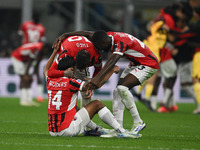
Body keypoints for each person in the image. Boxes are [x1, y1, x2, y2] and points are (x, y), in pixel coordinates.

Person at [53, 30, 159, 135]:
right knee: (117, 92)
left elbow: (111, 62)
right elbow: (88, 33)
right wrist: (65, 34)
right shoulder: (108, 36)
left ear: (104, 43)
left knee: (122, 88)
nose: (100, 50)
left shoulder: (120, 43)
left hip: (148, 64)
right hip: (135, 63)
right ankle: (118, 127)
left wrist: (96, 79)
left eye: (99, 47)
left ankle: (138, 122)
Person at [43, 45, 142, 138]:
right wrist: (111, 71)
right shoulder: (71, 82)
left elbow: (46, 70)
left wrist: (55, 52)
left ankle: (99, 130)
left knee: (75, 109)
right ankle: (121, 131)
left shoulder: (50, 80)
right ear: (71, 69)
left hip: (52, 131)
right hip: (67, 130)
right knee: (97, 104)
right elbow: (97, 84)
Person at [48, 36, 102, 109]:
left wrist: (92, 84)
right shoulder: (65, 54)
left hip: (78, 51)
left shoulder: (96, 56)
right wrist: (64, 73)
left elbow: (98, 70)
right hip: (69, 51)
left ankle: (85, 117)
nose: (79, 71)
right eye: (79, 68)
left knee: (87, 90)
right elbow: (50, 72)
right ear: (75, 60)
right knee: (64, 87)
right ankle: (70, 111)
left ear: (89, 63)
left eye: (82, 68)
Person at [18, 12, 46, 102]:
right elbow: (42, 40)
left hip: (26, 51)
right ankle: (39, 95)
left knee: (25, 73)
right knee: (36, 72)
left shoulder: (25, 25)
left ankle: (24, 97)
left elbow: (21, 36)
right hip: (36, 51)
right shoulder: (41, 28)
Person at [11, 42, 50, 106]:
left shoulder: (40, 49)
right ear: (45, 49)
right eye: (47, 51)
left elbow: (36, 63)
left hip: (24, 59)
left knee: (29, 79)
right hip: (17, 57)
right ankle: (23, 100)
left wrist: (34, 74)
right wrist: (26, 73)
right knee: (24, 78)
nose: (47, 53)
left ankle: (29, 100)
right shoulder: (38, 48)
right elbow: (31, 60)